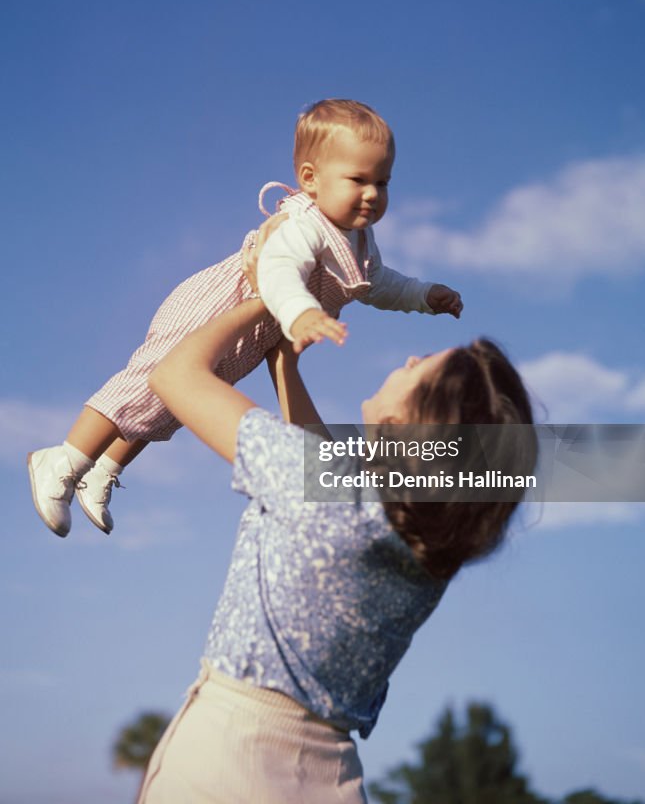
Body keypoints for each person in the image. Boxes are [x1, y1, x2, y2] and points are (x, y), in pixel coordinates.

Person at [134, 292, 536, 802]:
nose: (409, 359)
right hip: (333, 776)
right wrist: (284, 365)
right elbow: (320, 478)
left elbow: (175, 375)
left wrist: (266, 298)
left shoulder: (331, 491)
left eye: (421, 368)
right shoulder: (424, 549)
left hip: (231, 759)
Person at [27, 99, 463, 537]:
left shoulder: (358, 241)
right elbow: (278, 273)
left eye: (383, 182)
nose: (372, 194)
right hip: (215, 308)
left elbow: (379, 283)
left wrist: (424, 295)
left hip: (255, 334)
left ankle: (105, 466)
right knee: (145, 383)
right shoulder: (303, 225)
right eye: (359, 180)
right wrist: (302, 313)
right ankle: (64, 458)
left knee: (169, 409)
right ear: (310, 179)